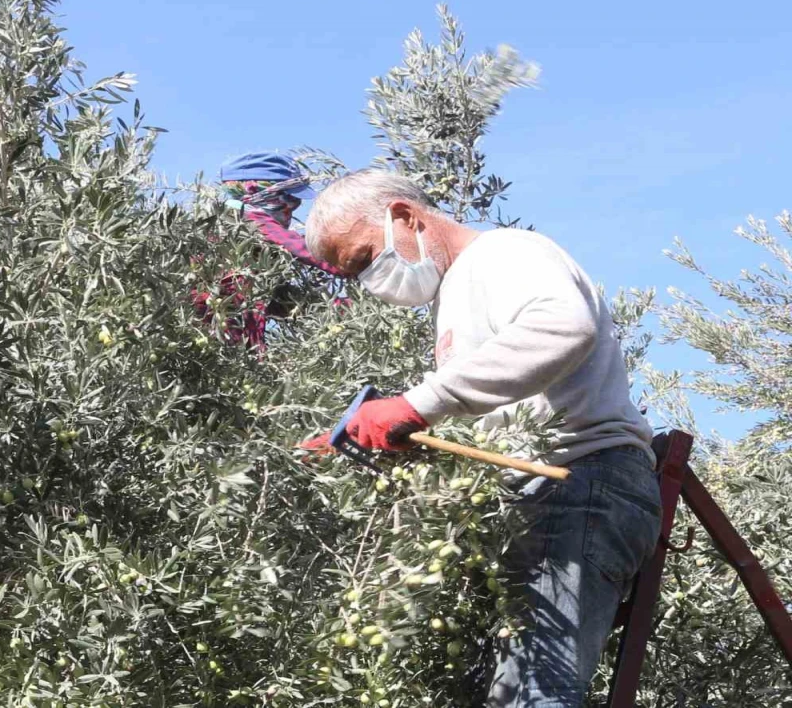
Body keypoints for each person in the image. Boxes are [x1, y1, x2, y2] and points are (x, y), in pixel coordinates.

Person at [298, 169, 661, 707]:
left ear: (404, 216)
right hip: (547, 498)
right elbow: (495, 409)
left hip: (580, 481)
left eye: (364, 258)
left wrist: (417, 404)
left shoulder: (503, 253)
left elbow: (564, 326)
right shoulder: (458, 292)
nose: (369, 279)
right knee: (514, 694)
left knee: (538, 694)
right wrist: (380, 432)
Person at [193, 151, 353, 349]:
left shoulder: (253, 246)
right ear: (254, 189)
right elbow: (306, 250)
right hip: (215, 338)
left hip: (238, 344)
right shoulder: (245, 220)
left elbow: (283, 300)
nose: (294, 207)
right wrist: (359, 265)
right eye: (289, 198)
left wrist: (348, 309)